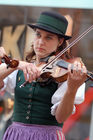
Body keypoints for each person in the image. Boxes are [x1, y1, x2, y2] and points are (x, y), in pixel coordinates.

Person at [0, 11, 87, 140]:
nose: (40, 42)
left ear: (60, 42)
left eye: (48, 37)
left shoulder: (64, 72)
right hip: (16, 135)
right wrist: (18, 65)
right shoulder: (19, 68)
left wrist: (71, 89)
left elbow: (61, 117)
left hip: (47, 136)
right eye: (38, 35)